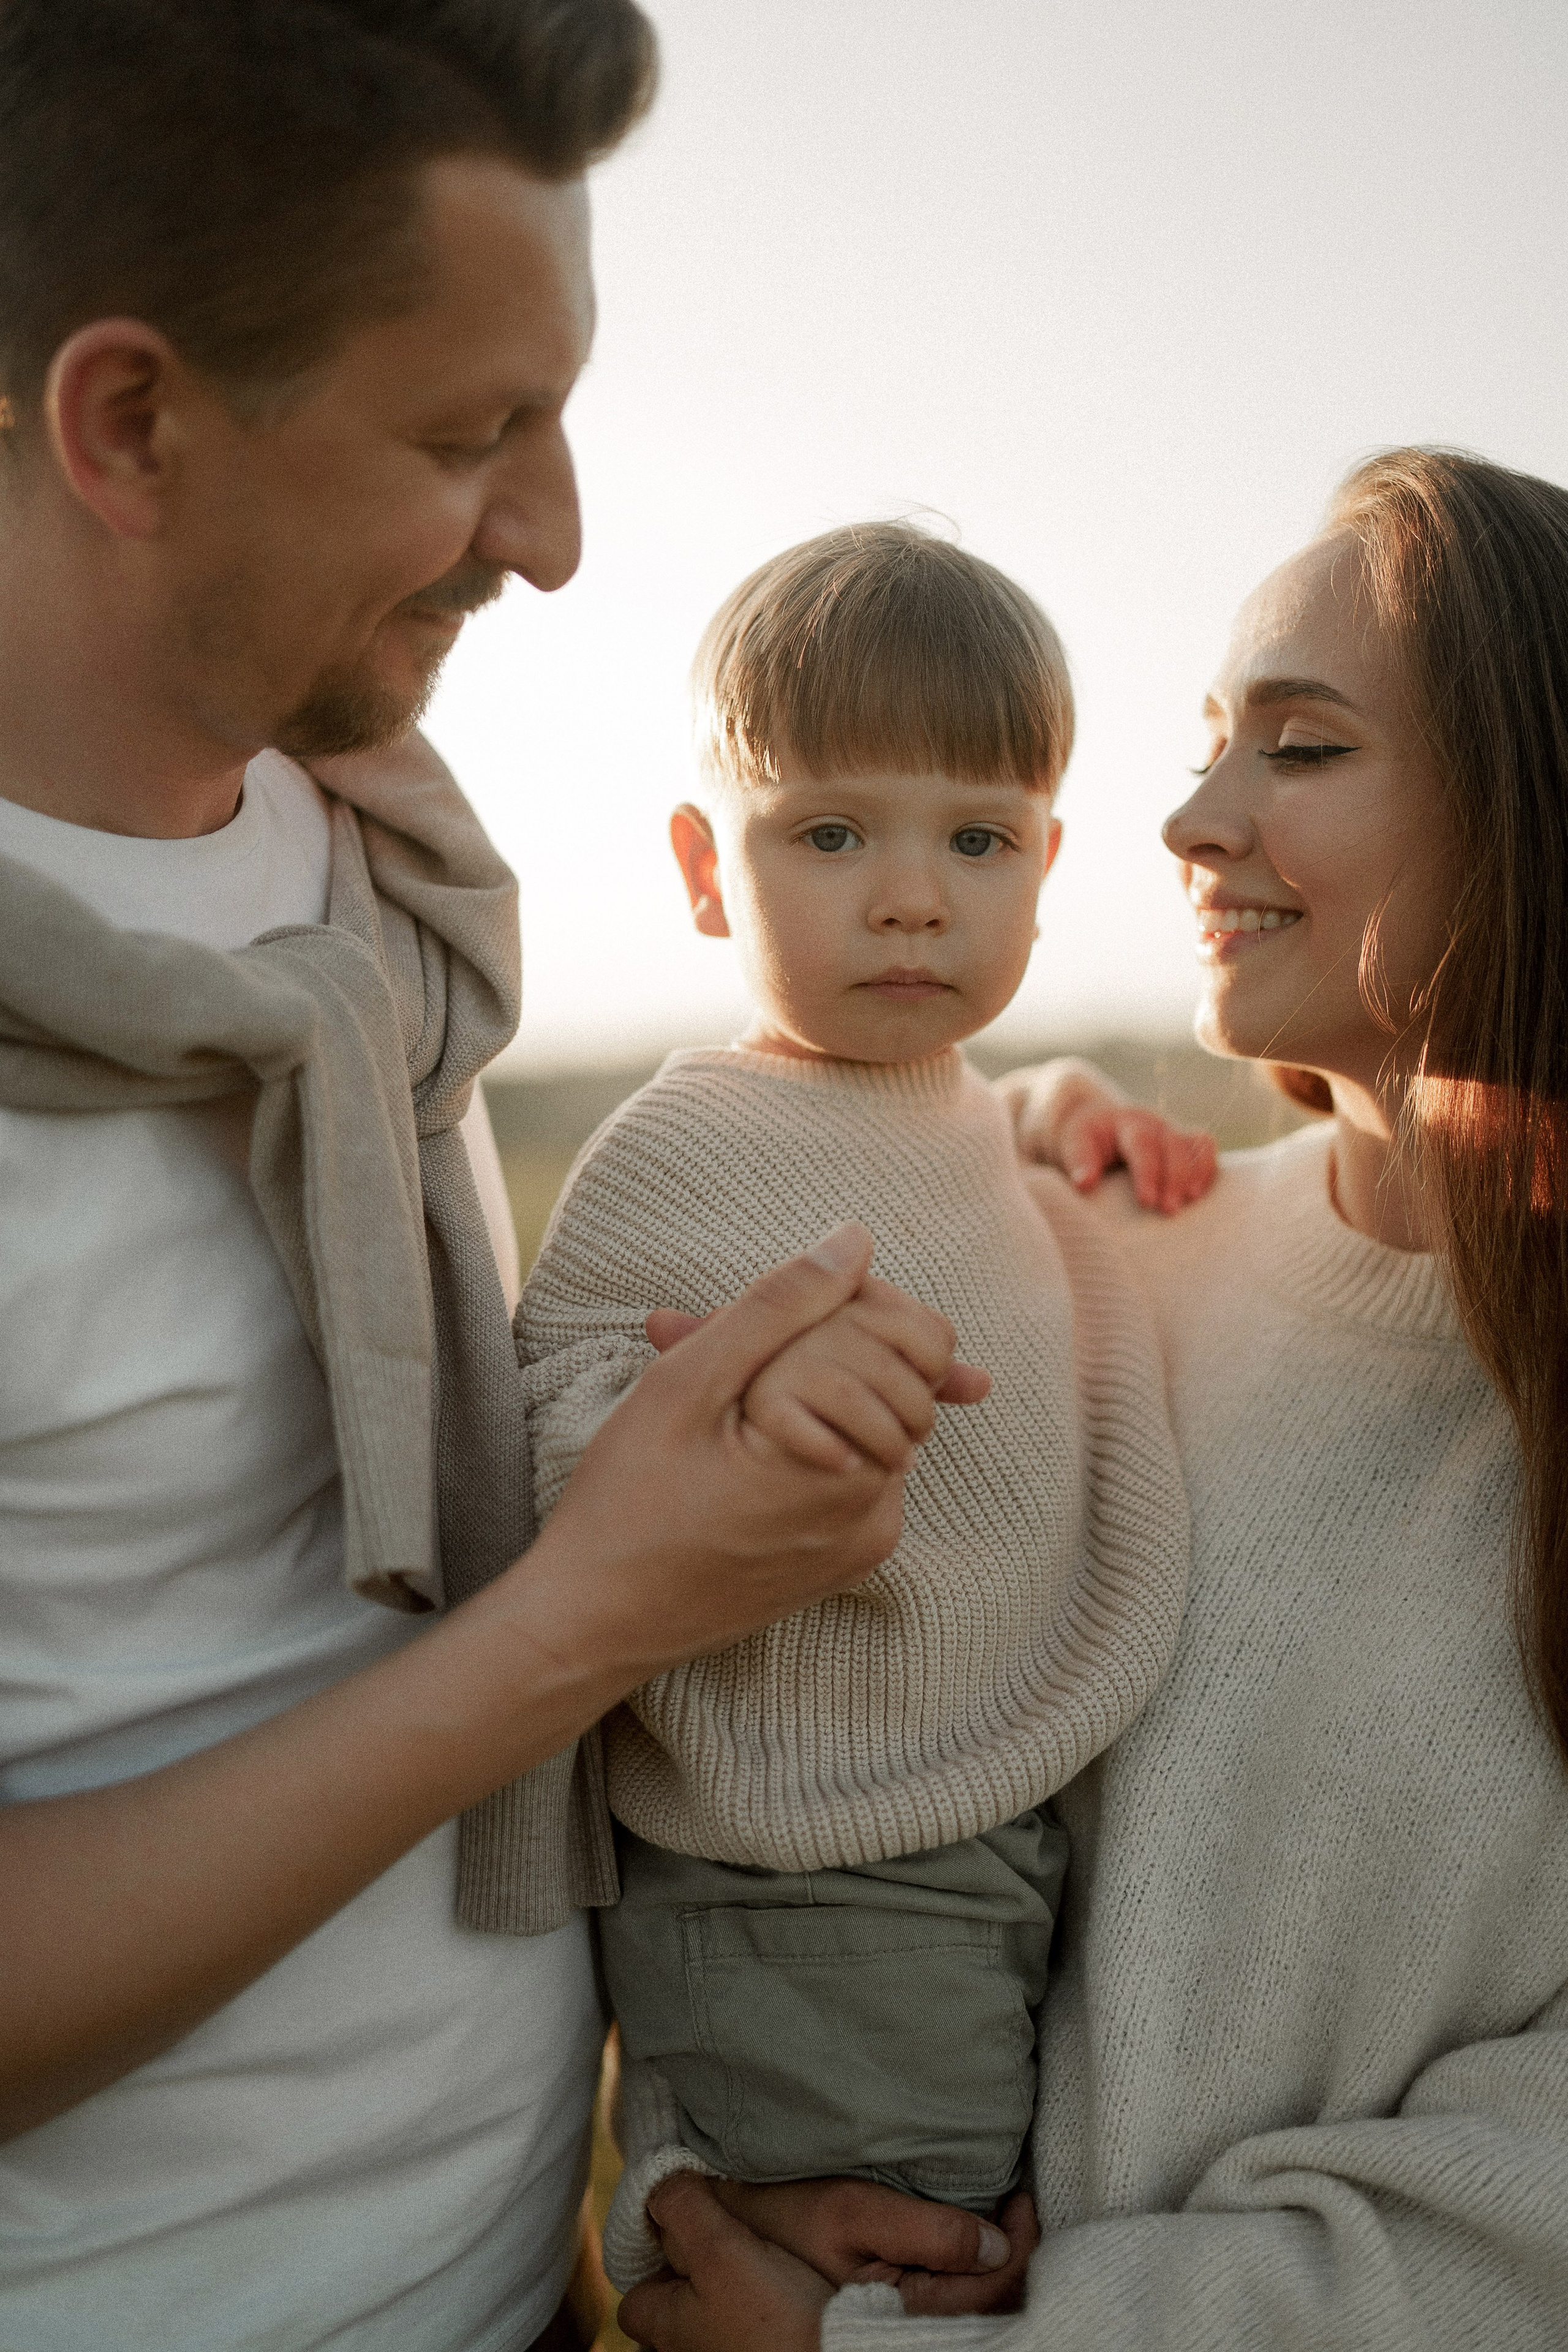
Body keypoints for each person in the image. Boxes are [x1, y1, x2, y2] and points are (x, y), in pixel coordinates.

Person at [0, 10, 992, 2350]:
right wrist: (593, 1615)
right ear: (127, 423)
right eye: (473, 438)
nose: (553, 540)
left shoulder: (374, 871)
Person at [614, 447, 1568, 2352]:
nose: (1191, 819)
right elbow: (781, 1766)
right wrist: (720, 2188)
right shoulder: (1087, 1268)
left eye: (1298, 750)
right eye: (1215, 739)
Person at [511, 524, 1206, 2288]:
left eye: (977, 841)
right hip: (808, 1873)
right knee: (903, 2258)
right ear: (701, 867)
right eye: (831, 836)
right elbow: (548, 1433)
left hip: (979, 1827)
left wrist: (1053, 1106)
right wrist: (747, 1416)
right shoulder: (687, 1149)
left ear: (1046, 873)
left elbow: (954, 1156)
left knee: (986, 2232)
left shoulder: (964, 1107)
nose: (913, 898)